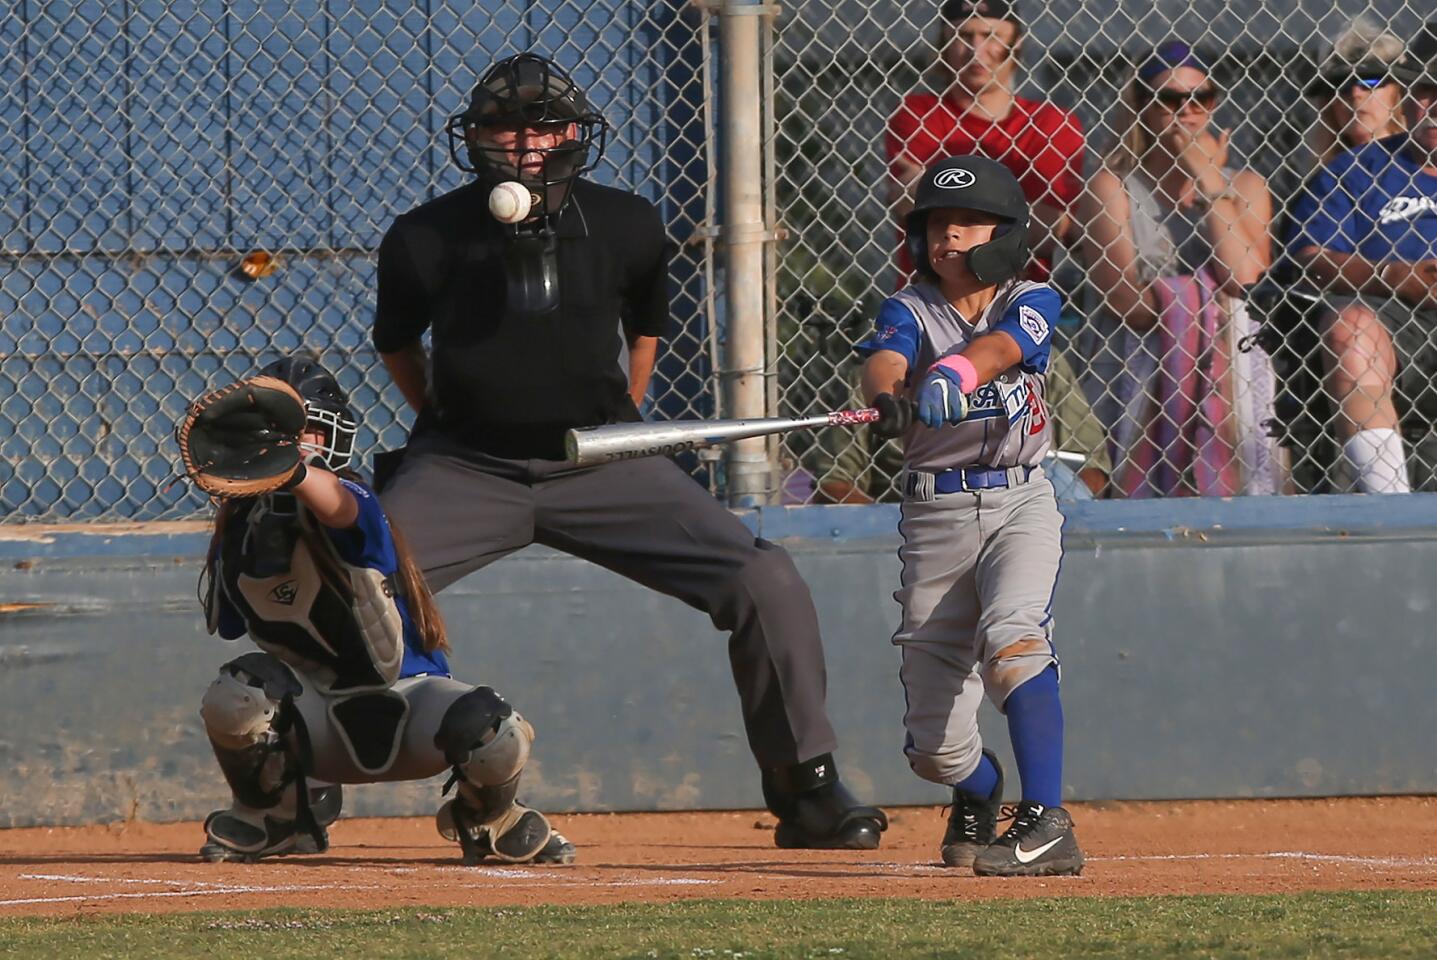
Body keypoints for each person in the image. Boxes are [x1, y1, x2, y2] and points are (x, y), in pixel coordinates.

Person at [370, 53, 887, 849]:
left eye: (543, 124)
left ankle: (804, 787)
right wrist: (444, 419)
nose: (525, 142)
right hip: (466, 465)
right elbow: (400, 345)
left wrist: (620, 421)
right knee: (352, 594)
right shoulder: (423, 236)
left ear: (575, 133)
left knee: (762, 578)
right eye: (505, 125)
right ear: (473, 138)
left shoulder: (626, 222)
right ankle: (288, 791)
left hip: (604, 461)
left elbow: (643, 335)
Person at [193, 357, 572, 866]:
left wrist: (293, 470)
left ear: (330, 438)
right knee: (237, 692)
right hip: (316, 720)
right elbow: (243, 630)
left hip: (410, 707)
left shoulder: (352, 496)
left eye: (304, 432)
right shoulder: (239, 531)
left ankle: (487, 816)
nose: (291, 442)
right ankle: (279, 813)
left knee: (491, 727)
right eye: (276, 435)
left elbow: (337, 507)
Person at [855, 154, 1082, 876]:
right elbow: (885, 357)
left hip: (1020, 500)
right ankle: (980, 791)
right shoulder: (910, 306)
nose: (947, 234)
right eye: (935, 223)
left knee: (1013, 637)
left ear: (1004, 231)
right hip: (935, 516)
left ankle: (1047, 820)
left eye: (965, 222)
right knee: (933, 748)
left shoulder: (1031, 295)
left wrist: (955, 373)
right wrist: (894, 392)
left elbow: (1003, 345)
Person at [1077, 40, 1283, 497]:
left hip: (1234, 365)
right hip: (1137, 363)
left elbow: (1247, 282)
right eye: (1170, 99)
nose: (1187, 111)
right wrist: (1207, 298)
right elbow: (1128, 304)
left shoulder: (1245, 185)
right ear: (1142, 107)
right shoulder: (1111, 186)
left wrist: (1209, 182)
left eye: (1201, 98)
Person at [1286, 27, 1437, 493]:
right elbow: (1310, 253)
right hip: (1393, 317)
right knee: (1349, 326)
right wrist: (1394, 274)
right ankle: (1390, 509)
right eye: (1421, 92)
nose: (1429, 107)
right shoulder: (1355, 169)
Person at [887, 0, 1084, 283]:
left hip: (1019, 302)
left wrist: (944, 195)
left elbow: (1049, 228)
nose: (975, 50)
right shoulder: (917, 113)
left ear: (1016, 43)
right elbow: (909, 205)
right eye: (963, 36)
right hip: (928, 297)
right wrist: (1013, 209)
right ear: (944, 41)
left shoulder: (1052, 123)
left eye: (991, 35)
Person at [811, 346, 1111, 503]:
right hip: (923, 512)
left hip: (1027, 505)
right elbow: (834, 483)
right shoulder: (877, 377)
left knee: (1057, 477)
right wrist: (892, 524)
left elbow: (1092, 468)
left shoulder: (1040, 363)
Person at [1305, 17, 1411, 166]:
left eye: (1369, 82)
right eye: (1342, 85)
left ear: (1398, 92)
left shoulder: (1425, 168)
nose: (1355, 94)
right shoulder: (1325, 179)